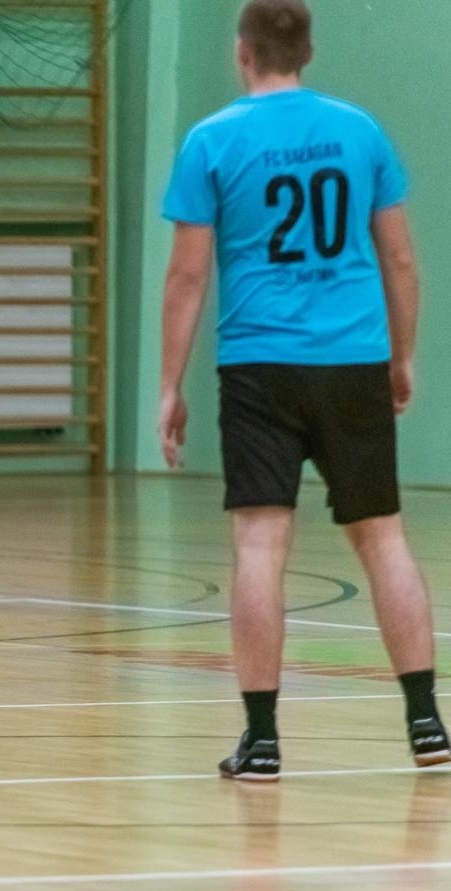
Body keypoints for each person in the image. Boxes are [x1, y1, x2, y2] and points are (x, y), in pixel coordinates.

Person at [158, 0, 449, 780]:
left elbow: (187, 276)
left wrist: (169, 386)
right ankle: (426, 722)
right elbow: (400, 259)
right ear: (308, 52)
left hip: (259, 366)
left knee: (261, 543)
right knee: (383, 538)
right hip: (353, 360)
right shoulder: (360, 131)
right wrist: (402, 356)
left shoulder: (211, 139)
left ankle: (262, 739)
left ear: (243, 52)